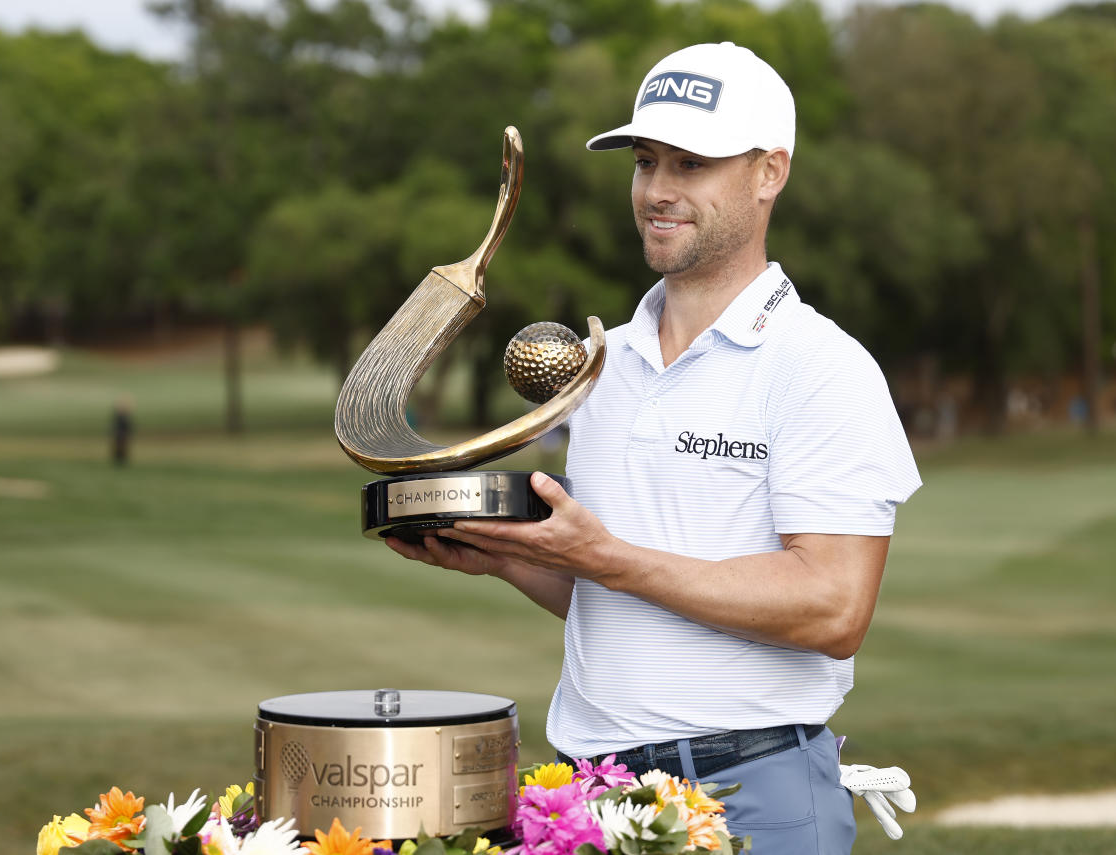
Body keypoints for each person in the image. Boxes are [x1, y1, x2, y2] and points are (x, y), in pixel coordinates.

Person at [386, 42, 921, 853]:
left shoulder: (822, 366)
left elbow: (833, 605)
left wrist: (603, 557)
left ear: (769, 172)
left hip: (751, 796)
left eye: (692, 164)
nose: (658, 191)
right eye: (645, 162)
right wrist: (507, 555)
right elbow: (619, 597)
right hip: (590, 796)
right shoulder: (605, 366)